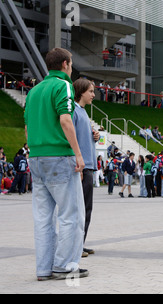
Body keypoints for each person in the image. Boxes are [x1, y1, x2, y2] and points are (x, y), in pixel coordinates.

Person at [24, 48, 88, 281]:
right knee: (71, 214)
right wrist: (78, 154)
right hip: (59, 156)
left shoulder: (34, 91)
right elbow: (65, 119)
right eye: (71, 64)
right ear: (65, 64)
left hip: (36, 157)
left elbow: (28, 127)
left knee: (42, 218)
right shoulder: (63, 85)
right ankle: (64, 265)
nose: (71, 68)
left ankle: (43, 268)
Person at [72, 78, 100, 258]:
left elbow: (82, 136)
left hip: (89, 165)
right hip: (83, 167)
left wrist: (94, 136)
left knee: (86, 209)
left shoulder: (83, 112)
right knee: (80, 209)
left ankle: (80, 243)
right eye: (90, 91)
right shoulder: (74, 111)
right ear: (81, 91)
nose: (93, 95)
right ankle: (75, 246)